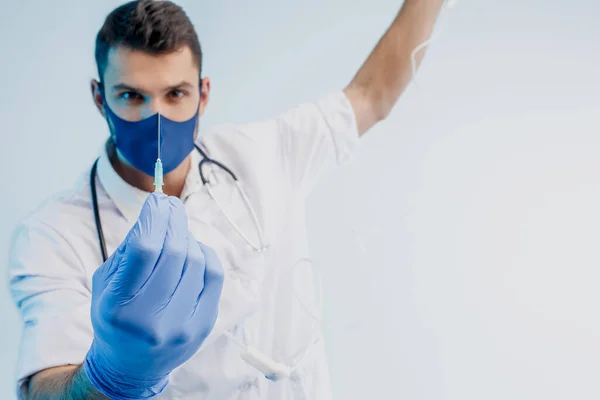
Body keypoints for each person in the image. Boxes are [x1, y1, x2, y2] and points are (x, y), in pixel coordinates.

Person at [7, 0, 445, 399]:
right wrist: (113, 375)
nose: (155, 118)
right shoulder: (53, 234)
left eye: (176, 93)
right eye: (132, 96)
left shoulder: (264, 154)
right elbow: (41, 389)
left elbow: (372, 94)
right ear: (100, 99)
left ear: (204, 94)